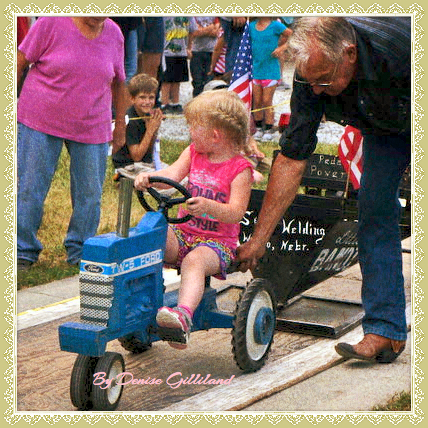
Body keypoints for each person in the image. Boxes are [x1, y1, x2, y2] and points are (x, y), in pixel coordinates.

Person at [237, 17, 411, 363]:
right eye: (309, 81)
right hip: (383, 127)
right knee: (374, 211)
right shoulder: (311, 74)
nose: (314, 91)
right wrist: (259, 239)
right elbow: (292, 157)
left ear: (349, 53)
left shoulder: (399, 47)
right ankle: (385, 330)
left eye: (323, 80)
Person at [134, 90, 254, 349]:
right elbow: (171, 175)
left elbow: (236, 212)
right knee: (147, 237)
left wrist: (209, 206)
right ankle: (143, 304)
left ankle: (183, 316)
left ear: (215, 135)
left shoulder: (240, 170)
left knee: (194, 261)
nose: (189, 130)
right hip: (183, 234)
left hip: (217, 245)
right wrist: (149, 178)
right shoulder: (193, 153)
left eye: (193, 126)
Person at [17, 17, 127, 270]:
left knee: (90, 193)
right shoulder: (50, 22)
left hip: (92, 122)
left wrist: (120, 125)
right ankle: (23, 250)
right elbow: (18, 62)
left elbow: (119, 82)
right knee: (31, 187)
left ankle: (81, 250)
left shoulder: (114, 33)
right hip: (39, 116)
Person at [112, 73, 164, 176]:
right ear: (132, 99)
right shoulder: (131, 120)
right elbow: (136, 156)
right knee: (166, 183)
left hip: (144, 164)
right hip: (128, 167)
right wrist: (150, 131)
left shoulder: (146, 115)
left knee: (175, 175)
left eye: (151, 97)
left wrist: (154, 130)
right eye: (142, 97)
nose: (147, 102)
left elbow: (149, 153)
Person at [249, 17, 290, 142]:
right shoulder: (251, 26)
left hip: (271, 69)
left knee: (267, 101)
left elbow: (292, 36)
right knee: (257, 101)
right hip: (256, 69)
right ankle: (258, 127)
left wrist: (281, 48)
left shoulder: (276, 26)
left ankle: (268, 127)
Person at [160, 16, 192, 114]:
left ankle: (175, 102)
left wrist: (189, 47)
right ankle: (164, 103)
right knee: (167, 78)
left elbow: (192, 30)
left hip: (181, 51)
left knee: (178, 78)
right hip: (166, 51)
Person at [188, 17, 220, 97]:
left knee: (209, 81)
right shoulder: (194, 15)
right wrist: (210, 28)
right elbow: (195, 32)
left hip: (211, 52)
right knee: (197, 81)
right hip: (196, 52)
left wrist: (203, 30)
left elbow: (217, 32)